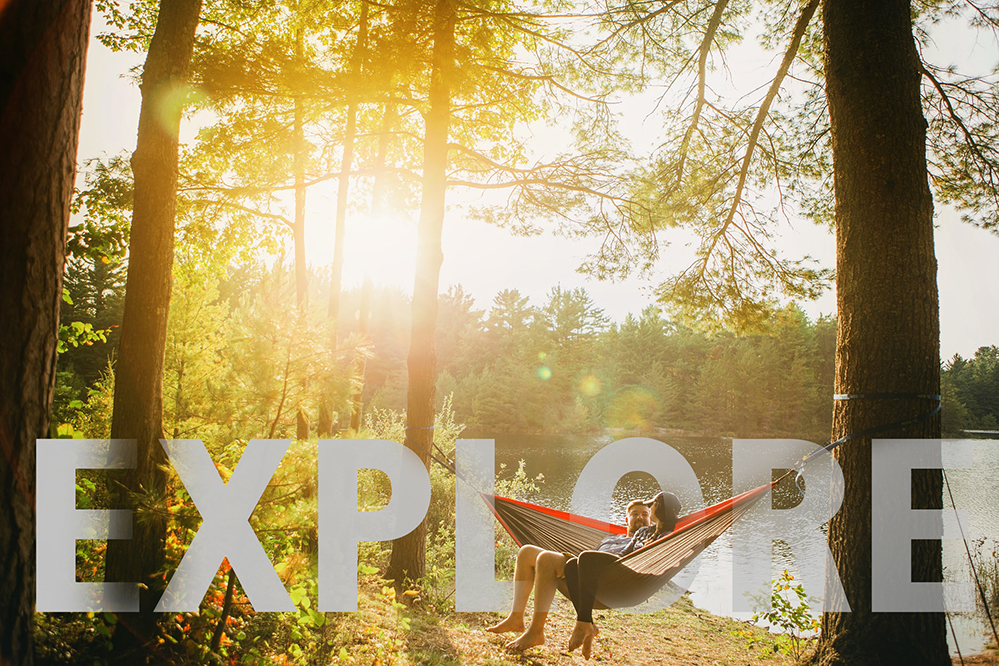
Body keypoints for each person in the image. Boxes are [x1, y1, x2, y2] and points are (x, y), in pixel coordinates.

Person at [486, 499, 653, 652]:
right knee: (526, 552)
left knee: (546, 559)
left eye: (645, 514)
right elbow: (590, 558)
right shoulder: (609, 539)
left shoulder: (647, 541)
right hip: (583, 574)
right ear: (626, 520)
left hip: (610, 586)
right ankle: (516, 618)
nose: (640, 517)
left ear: (651, 521)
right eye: (635, 514)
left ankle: (536, 632)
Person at [565, 491, 681, 659]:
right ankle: (587, 622)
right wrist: (611, 561)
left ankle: (583, 623)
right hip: (622, 565)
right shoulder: (644, 531)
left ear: (660, 509)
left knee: (586, 557)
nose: (649, 508)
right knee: (571, 566)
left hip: (635, 577)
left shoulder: (667, 537)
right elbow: (626, 552)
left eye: (653, 505)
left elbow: (666, 559)